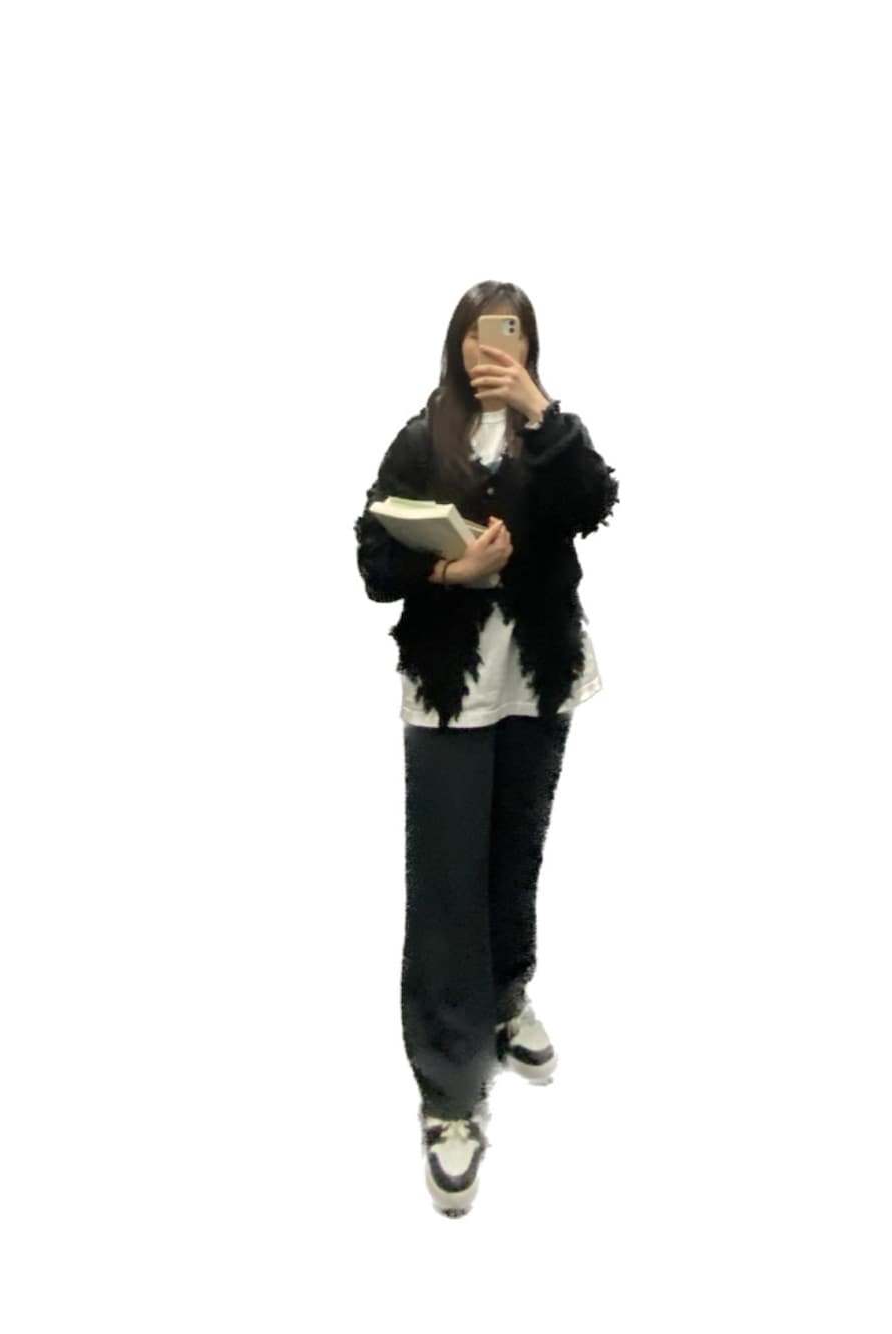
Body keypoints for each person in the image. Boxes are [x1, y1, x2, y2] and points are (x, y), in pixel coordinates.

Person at [353, 280, 619, 1216]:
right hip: (450, 692)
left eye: (506, 334)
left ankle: (505, 997)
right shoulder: (422, 438)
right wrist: (448, 569)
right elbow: (372, 560)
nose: (487, 350)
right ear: (454, 345)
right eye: (473, 334)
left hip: (538, 683)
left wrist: (542, 410)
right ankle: (449, 1092)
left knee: (515, 856)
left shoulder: (551, 438)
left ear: (529, 344)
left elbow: (595, 500)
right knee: (445, 882)